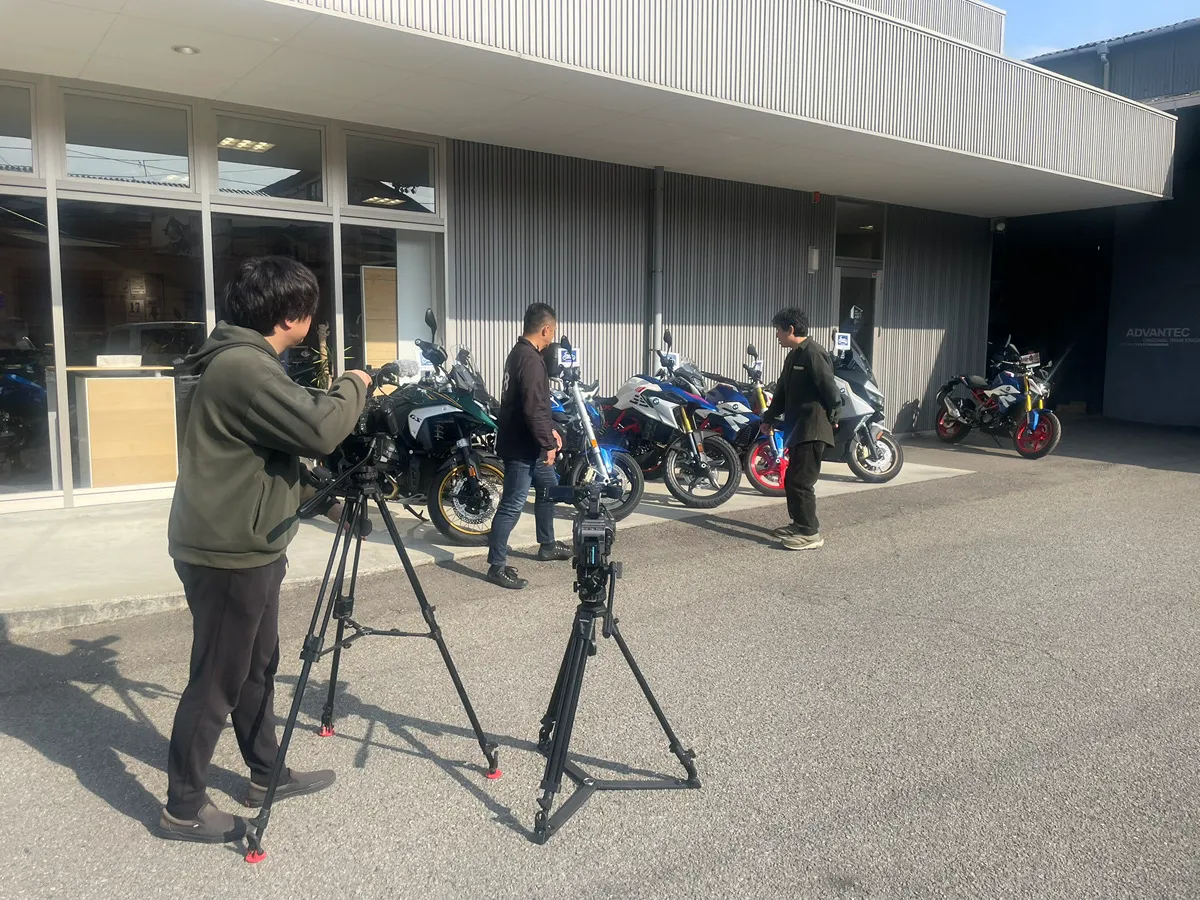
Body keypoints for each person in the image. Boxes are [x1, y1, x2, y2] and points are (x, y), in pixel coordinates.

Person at [159, 256, 371, 844]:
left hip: (247, 543)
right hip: (228, 552)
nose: (315, 323)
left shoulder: (243, 363)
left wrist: (324, 503)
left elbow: (266, 461)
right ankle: (183, 806)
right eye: (311, 313)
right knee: (216, 680)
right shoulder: (244, 368)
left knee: (255, 668)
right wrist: (355, 384)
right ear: (289, 317)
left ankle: (264, 772)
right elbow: (319, 429)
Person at [486, 302, 570, 589]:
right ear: (545, 329)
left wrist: (551, 431)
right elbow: (533, 408)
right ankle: (496, 566)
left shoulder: (518, 353)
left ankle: (547, 545)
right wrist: (548, 443)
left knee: (547, 489)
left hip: (528, 442)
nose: (552, 337)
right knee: (512, 504)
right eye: (553, 331)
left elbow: (536, 406)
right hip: (522, 447)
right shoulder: (531, 360)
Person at [760, 308, 842, 551]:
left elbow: (830, 388)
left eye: (778, 330)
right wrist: (769, 418)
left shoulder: (813, 353)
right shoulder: (794, 356)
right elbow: (782, 392)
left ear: (791, 329)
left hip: (812, 428)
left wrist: (835, 415)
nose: (776, 335)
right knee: (792, 480)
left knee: (801, 482)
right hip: (797, 428)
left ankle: (810, 533)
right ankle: (799, 524)